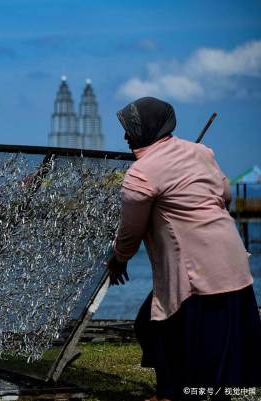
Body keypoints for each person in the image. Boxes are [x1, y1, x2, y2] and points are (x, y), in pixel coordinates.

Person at [106, 97, 261, 400]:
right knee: (161, 328)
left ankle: (176, 392)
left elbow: (130, 231)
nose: (125, 136)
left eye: (130, 128)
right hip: (232, 260)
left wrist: (119, 259)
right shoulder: (201, 152)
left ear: (149, 128)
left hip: (197, 272)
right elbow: (225, 194)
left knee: (169, 333)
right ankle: (175, 390)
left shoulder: (141, 174)